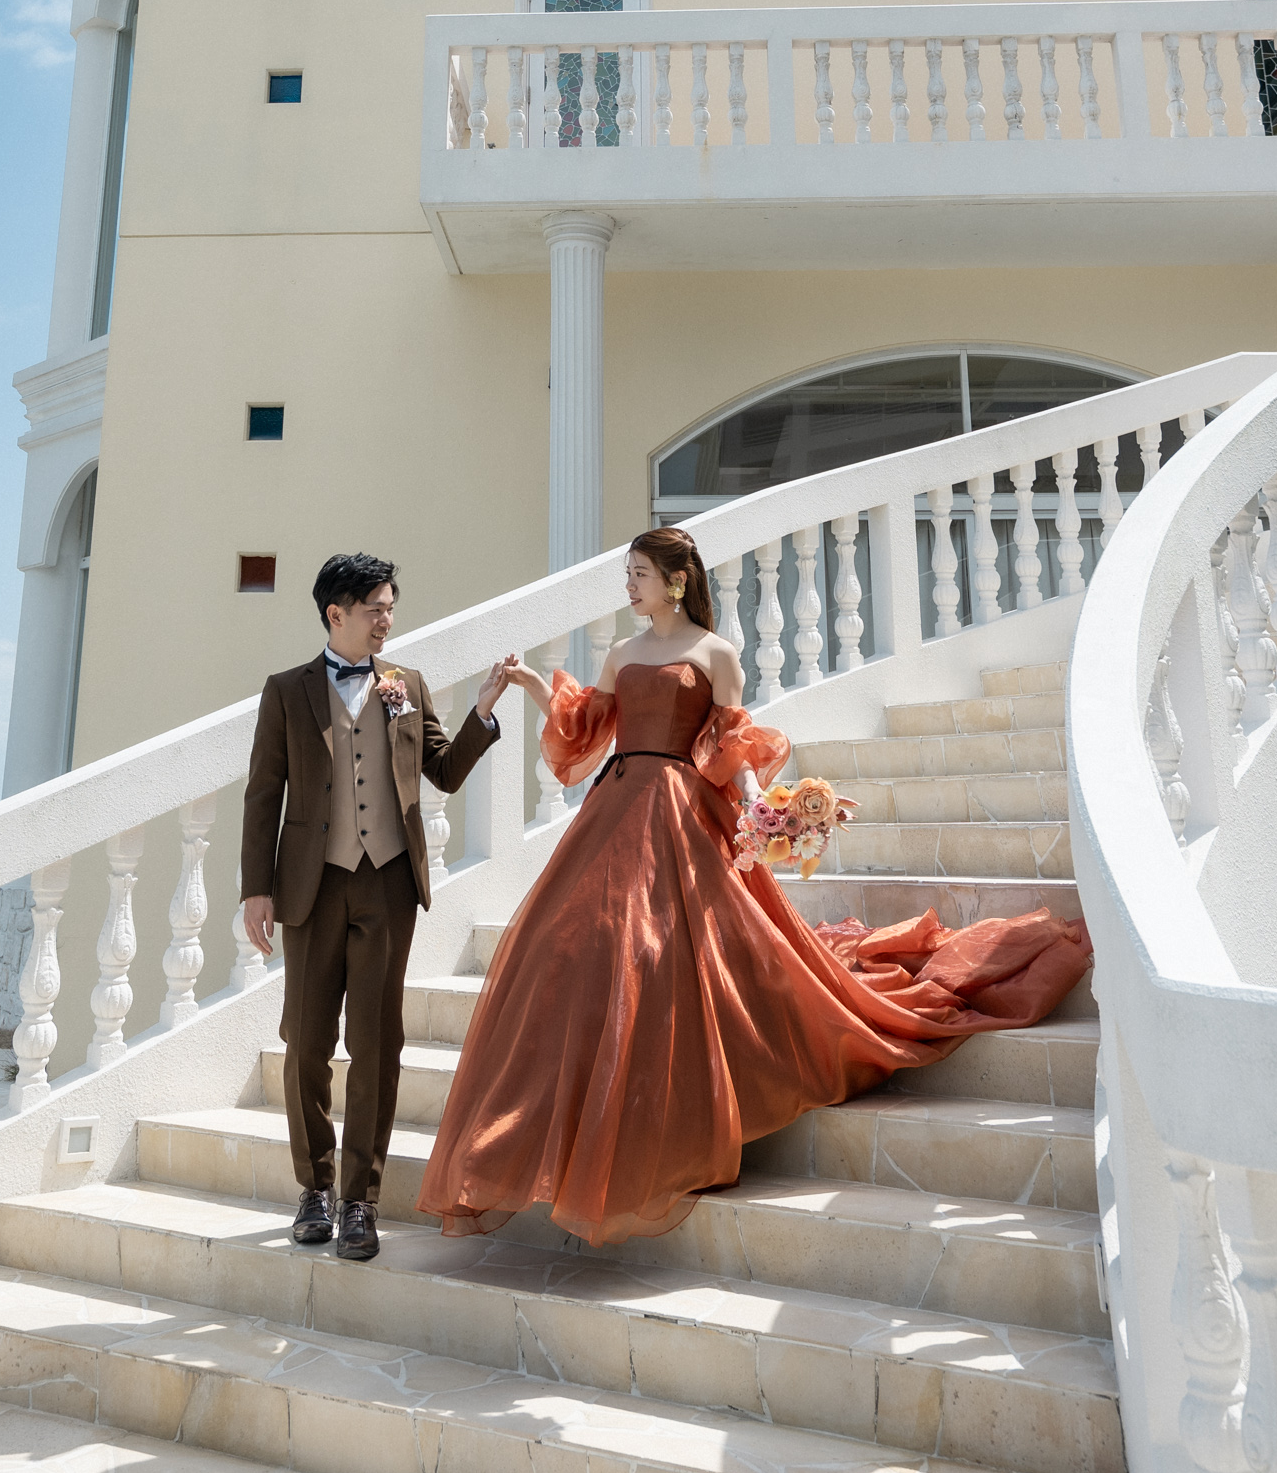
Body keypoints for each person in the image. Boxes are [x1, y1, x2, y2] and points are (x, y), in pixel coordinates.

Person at [418, 526, 1093, 1246]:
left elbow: (732, 744)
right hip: (615, 809)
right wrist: (527, 684)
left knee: (673, 957)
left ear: (676, 581)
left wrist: (766, 808)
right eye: (629, 574)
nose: (630, 585)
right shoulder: (623, 652)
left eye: (640, 573)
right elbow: (586, 728)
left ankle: (667, 1120)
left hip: (681, 810)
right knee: (570, 946)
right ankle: (549, 1126)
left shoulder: (715, 654)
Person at [238, 551, 510, 1262]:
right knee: (305, 1040)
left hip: (388, 884)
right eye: (375, 608)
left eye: (391, 606)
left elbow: (444, 772)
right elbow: (264, 793)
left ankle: (361, 1198)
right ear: (337, 614)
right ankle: (314, 1188)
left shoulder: (407, 685)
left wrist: (482, 710)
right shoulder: (286, 691)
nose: (388, 618)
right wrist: (256, 887)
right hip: (311, 886)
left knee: (378, 1043)